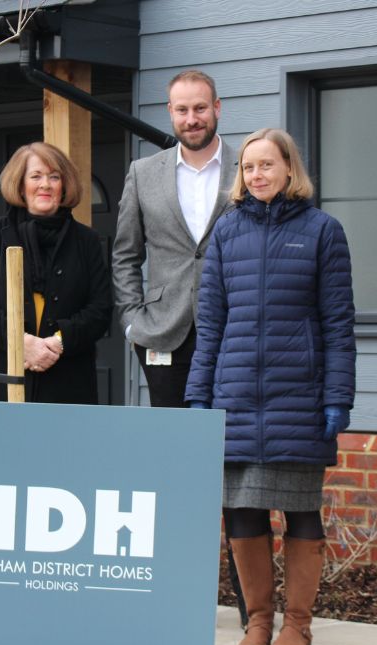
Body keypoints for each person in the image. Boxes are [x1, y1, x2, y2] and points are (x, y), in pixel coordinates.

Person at [185, 128, 356, 645]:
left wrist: (337, 397)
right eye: (249, 168)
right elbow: (209, 324)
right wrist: (197, 398)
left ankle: (298, 626)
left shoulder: (323, 231)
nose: (257, 175)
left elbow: (338, 324)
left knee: (301, 512)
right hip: (234, 396)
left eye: (267, 165)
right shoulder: (226, 234)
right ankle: (258, 623)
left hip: (298, 397)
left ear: (289, 169)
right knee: (241, 512)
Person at [112, 69, 238, 408]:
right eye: (182, 110)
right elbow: (125, 254)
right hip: (164, 332)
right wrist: (132, 323)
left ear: (217, 108)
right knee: (173, 441)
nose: (192, 119)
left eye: (200, 108)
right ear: (170, 112)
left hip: (234, 330)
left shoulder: (245, 169)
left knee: (230, 439)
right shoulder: (142, 173)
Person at [0, 142, 112, 404]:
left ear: (64, 185)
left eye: (54, 177)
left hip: (68, 387)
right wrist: (22, 344)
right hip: (2, 384)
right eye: (36, 176)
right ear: (20, 185)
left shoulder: (87, 241)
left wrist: (58, 342)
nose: (45, 184)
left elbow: (100, 310)